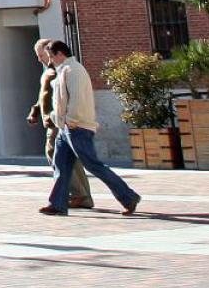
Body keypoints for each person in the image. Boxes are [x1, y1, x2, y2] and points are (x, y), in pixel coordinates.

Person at [40, 39, 141, 216]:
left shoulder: (74, 71)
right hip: (66, 128)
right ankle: (57, 203)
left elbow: (77, 100)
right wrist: (61, 120)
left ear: (60, 54)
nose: (50, 61)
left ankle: (128, 196)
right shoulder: (65, 70)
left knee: (93, 165)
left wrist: (69, 120)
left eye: (51, 56)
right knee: (61, 165)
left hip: (76, 127)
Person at [27, 38, 90, 208]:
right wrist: (35, 111)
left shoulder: (58, 71)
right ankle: (82, 197)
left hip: (58, 122)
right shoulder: (50, 71)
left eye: (41, 55)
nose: (39, 59)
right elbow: (44, 96)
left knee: (57, 158)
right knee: (71, 160)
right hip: (56, 120)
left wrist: (66, 119)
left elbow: (62, 96)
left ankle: (77, 195)